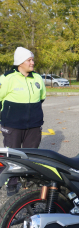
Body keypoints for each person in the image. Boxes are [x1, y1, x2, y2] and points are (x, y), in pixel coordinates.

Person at [0, 47, 46, 195]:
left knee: (31, 155)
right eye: (29, 60)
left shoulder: (38, 78)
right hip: (12, 125)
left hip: (34, 125)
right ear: (20, 62)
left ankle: (29, 182)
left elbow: (42, 97)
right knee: (12, 156)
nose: (32, 62)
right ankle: (12, 184)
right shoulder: (7, 78)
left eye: (32, 59)